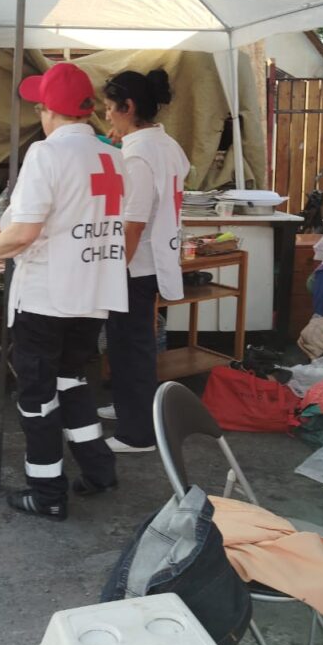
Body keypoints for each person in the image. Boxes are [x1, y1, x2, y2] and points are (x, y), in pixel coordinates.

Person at [0, 63, 128, 521]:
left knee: (36, 399)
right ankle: (97, 470)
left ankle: (47, 491)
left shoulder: (47, 155)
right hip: (92, 294)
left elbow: (22, 232)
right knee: (71, 380)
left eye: (40, 105)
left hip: (45, 298)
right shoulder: (112, 155)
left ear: (48, 110)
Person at [97, 68, 190, 453]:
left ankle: (138, 434)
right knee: (133, 343)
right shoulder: (166, 144)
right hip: (156, 257)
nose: (106, 117)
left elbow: (132, 225)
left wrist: (112, 273)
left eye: (108, 108)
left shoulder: (137, 154)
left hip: (136, 264)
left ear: (128, 106)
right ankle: (129, 408)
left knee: (130, 346)